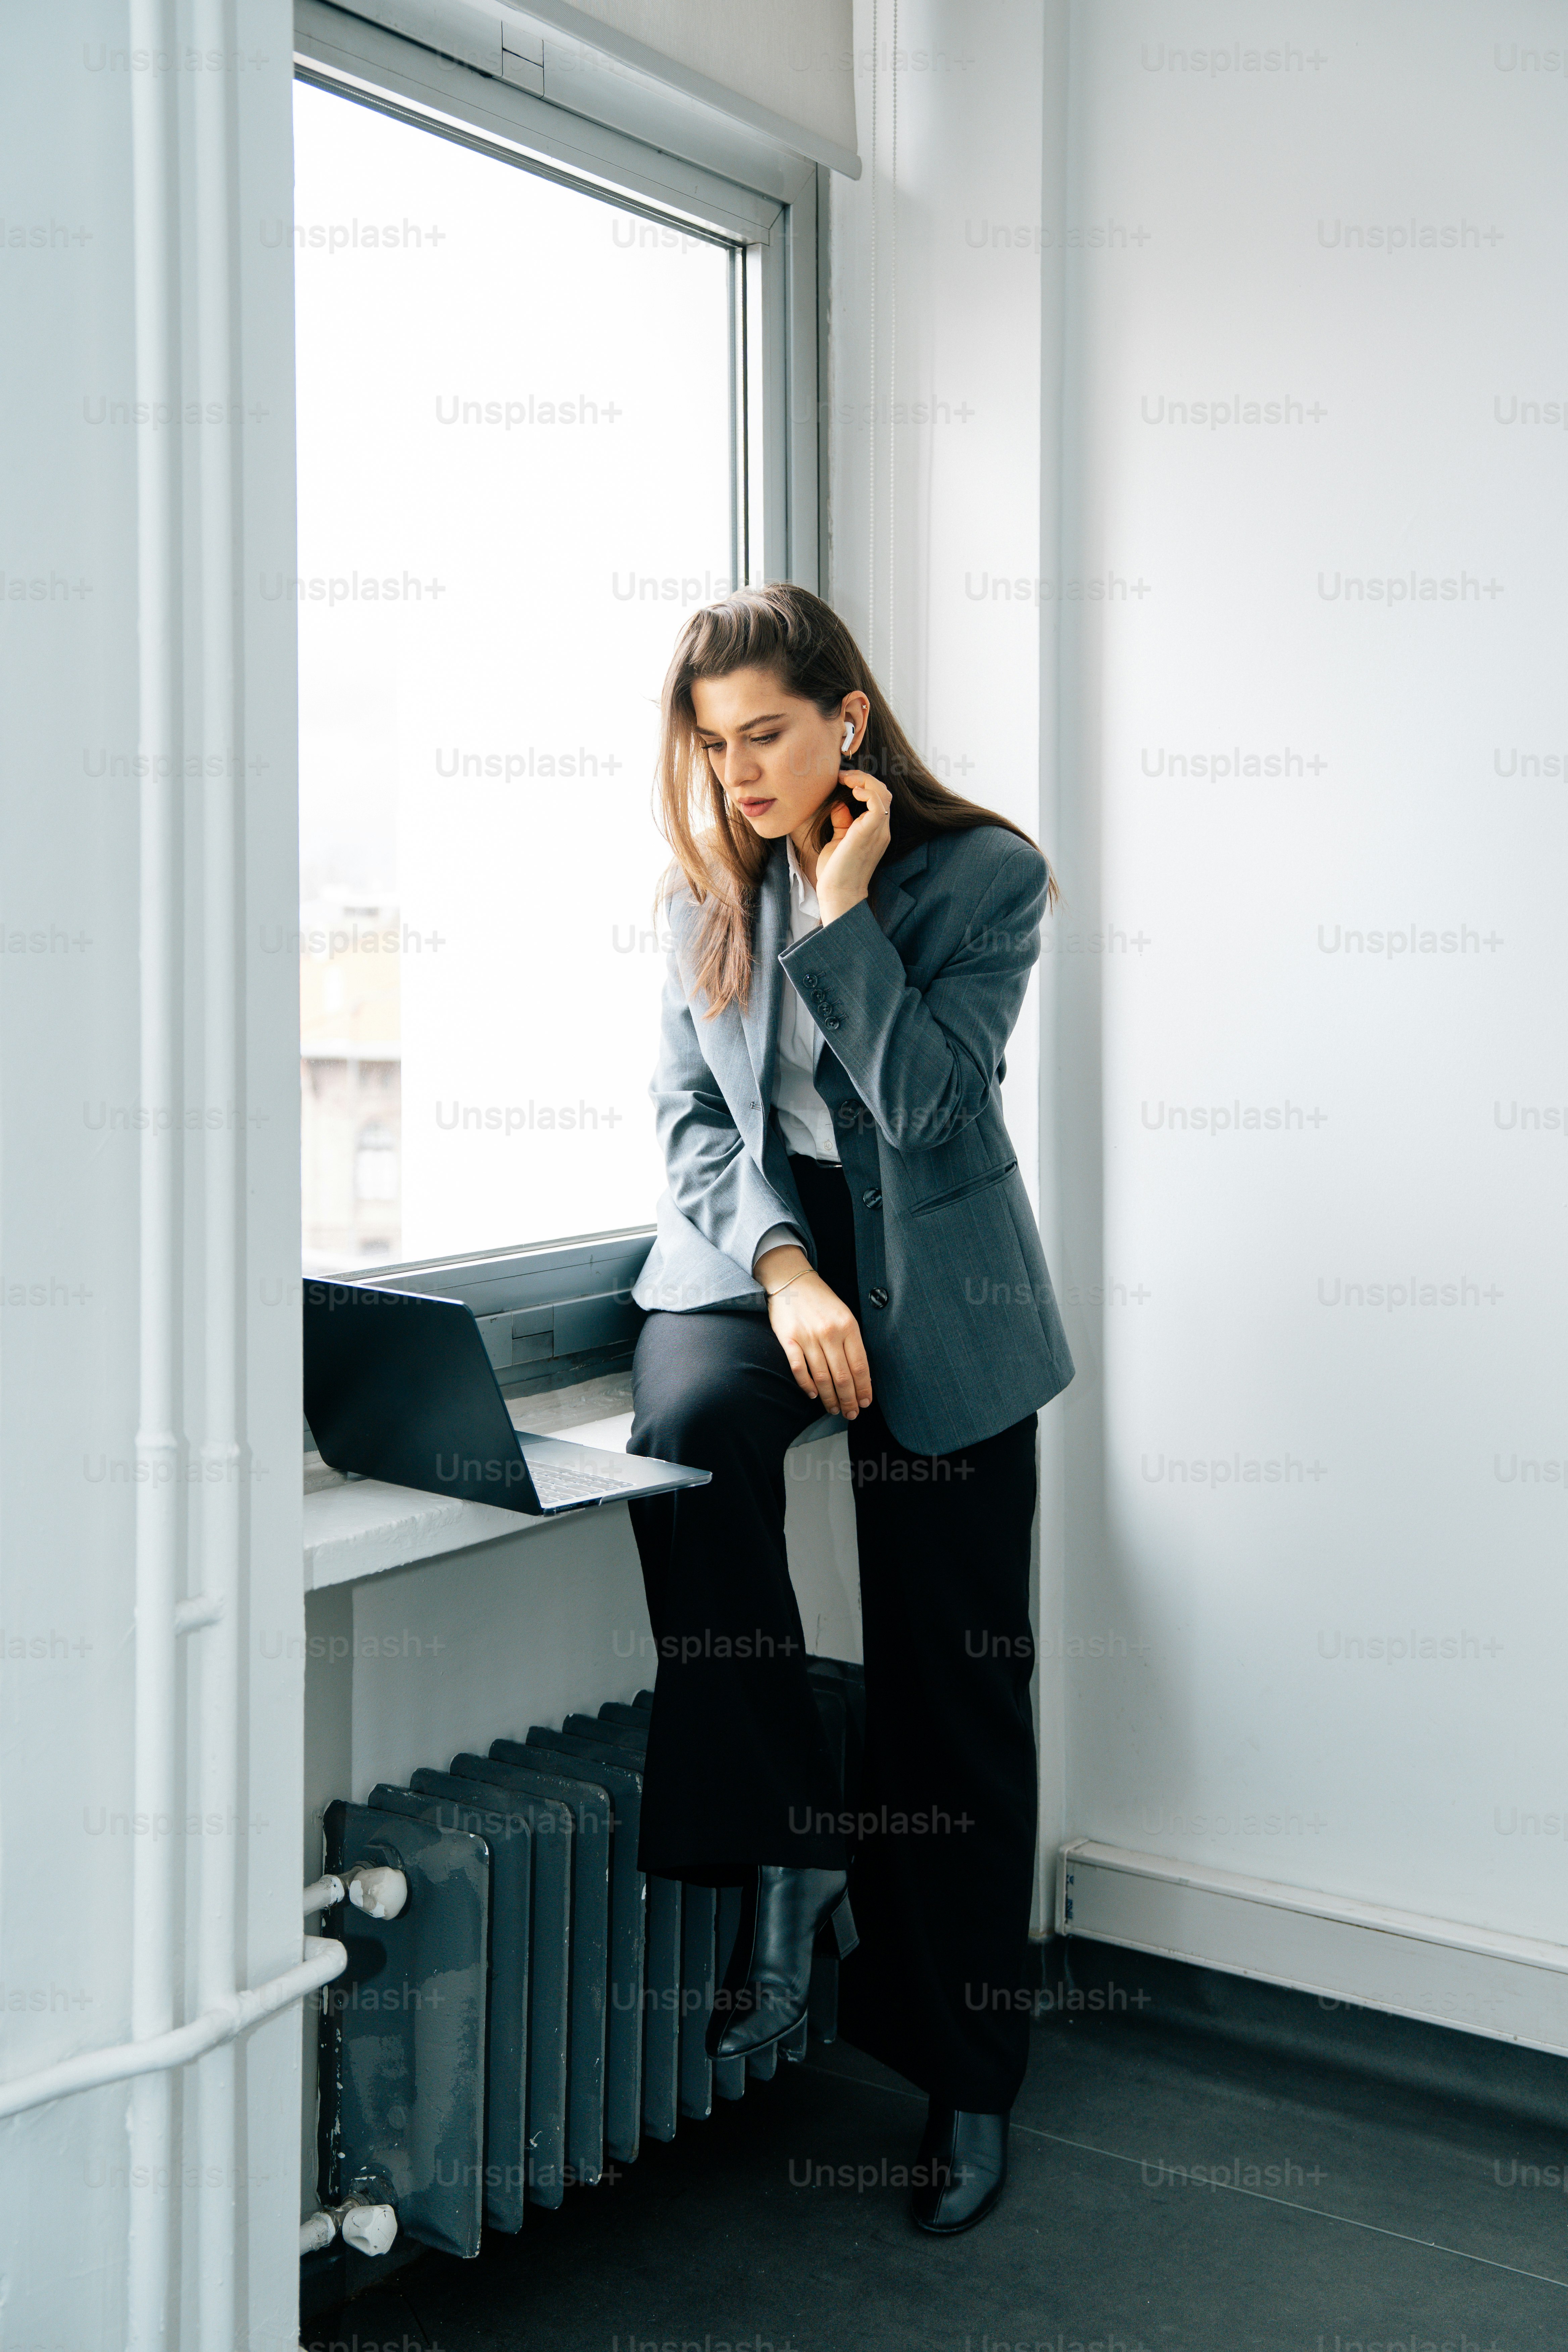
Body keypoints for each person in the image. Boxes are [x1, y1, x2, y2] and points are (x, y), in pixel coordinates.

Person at [626, 583, 1075, 2235]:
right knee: (683, 1440)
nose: (738, 773)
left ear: (848, 726)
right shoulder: (694, 891)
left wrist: (840, 910)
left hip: (944, 1293)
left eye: (767, 736)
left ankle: (965, 2075)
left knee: (957, 1685)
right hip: (777, 1261)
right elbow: (687, 1121)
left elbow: (931, 1098)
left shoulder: (989, 876)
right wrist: (785, 1266)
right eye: (712, 741)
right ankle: (791, 1839)